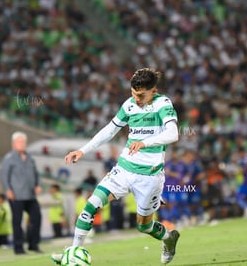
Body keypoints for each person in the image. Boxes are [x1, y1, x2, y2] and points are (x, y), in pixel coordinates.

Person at [51, 68, 180, 265]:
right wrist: (83, 150)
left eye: (141, 95)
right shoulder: (129, 105)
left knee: (143, 227)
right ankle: (74, 251)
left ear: (153, 91)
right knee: (91, 204)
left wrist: (146, 143)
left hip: (150, 176)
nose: (136, 98)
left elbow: (173, 134)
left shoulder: (163, 104)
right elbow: (109, 130)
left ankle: (168, 238)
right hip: (124, 169)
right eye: (133, 93)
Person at [0, 131, 43, 254]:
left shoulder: (30, 158)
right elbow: (4, 175)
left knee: (37, 217)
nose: (22, 144)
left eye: (23, 142)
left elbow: (36, 174)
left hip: (30, 195)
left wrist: (38, 185)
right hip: (16, 196)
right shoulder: (9, 158)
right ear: (13, 144)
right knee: (17, 222)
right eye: (19, 142)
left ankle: (33, 244)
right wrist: (8, 190)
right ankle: (18, 247)